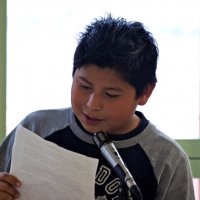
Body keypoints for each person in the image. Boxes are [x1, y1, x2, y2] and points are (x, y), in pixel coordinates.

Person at [0, 14, 195, 200]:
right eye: (84, 86)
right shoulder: (36, 129)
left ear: (145, 93)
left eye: (110, 95)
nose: (92, 105)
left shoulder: (168, 159)